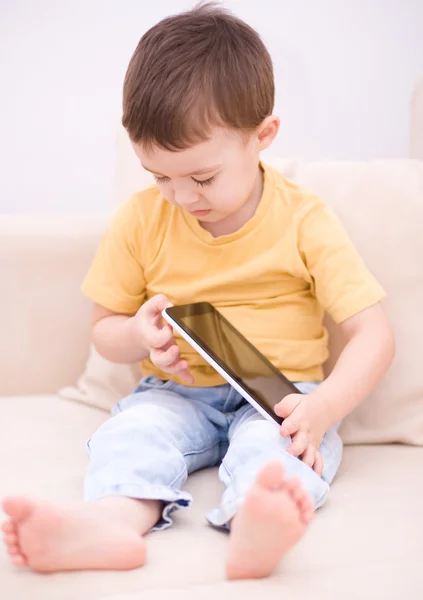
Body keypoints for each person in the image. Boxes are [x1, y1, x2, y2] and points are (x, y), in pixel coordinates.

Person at [1, 3, 395, 580]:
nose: (182, 198)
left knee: (275, 459)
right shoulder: (139, 221)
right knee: (134, 433)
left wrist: (322, 409)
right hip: (177, 392)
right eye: (159, 176)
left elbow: (374, 335)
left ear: (263, 136)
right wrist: (136, 334)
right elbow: (104, 327)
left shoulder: (306, 220)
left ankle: (258, 526)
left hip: (282, 400)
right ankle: (110, 524)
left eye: (203, 178)